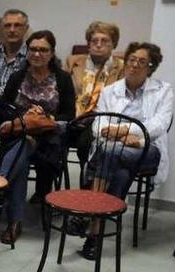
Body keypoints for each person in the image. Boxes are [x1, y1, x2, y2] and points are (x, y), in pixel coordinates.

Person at [75, 42, 173, 260]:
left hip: (147, 150)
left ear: (151, 67)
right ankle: (96, 233)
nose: (134, 65)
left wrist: (123, 132)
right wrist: (118, 135)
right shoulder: (111, 90)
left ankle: (89, 213)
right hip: (114, 150)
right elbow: (99, 123)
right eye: (131, 60)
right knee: (118, 169)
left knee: (109, 152)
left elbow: (159, 124)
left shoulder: (163, 90)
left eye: (141, 62)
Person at [0, 30, 75, 244]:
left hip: (49, 137)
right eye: (33, 49)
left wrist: (45, 116)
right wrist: (25, 116)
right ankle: (14, 221)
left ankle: (0, 186)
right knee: (22, 148)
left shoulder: (62, 78)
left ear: (51, 53)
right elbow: (4, 108)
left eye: (43, 50)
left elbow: (69, 114)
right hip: (19, 133)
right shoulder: (17, 77)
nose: (37, 54)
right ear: (27, 51)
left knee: (23, 148)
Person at [65, 21, 125, 169]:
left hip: (101, 120)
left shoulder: (122, 67)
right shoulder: (73, 62)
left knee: (87, 141)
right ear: (88, 44)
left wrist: (92, 116)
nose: (98, 45)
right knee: (53, 139)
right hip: (72, 117)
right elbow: (64, 90)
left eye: (104, 41)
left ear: (114, 44)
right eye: (94, 41)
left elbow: (120, 99)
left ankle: (88, 182)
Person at [0, 9, 29, 98]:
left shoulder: (32, 55)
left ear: (26, 28)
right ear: (2, 28)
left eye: (17, 25)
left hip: (15, 107)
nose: (12, 30)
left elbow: (25, 90)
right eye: (7, 25)